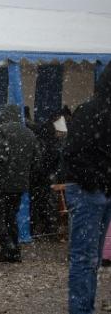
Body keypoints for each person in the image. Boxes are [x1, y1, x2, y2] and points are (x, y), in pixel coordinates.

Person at [64, 65, 111, 314]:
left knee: (89, 260)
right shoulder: (92, 111)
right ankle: (81, 309)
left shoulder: (91, 111)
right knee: (85, 259)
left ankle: (84, 308)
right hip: (88, 191)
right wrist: (95, 181)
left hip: (95, 190)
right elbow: (72, 154)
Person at [0, 104, 40, 263]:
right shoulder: (29, 133)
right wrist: (26, 174)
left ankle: (7, 243)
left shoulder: (0, 131)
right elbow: (37, 160)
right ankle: (13, 252)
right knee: (11, 215)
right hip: (20, 182)